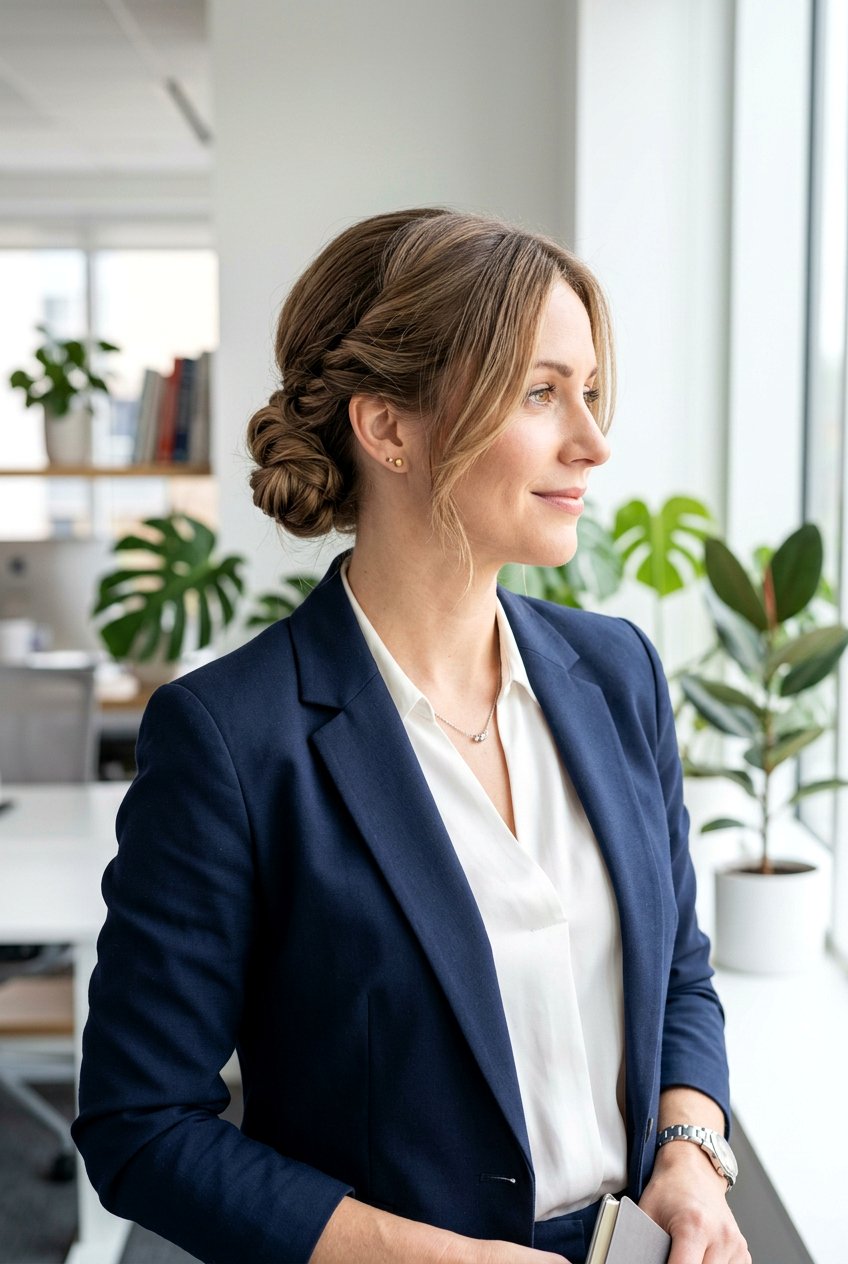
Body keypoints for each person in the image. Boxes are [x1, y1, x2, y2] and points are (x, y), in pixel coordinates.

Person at [73, 208, 750, 1264]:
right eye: (539, 391)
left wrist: (689, 1152)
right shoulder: (231, 741)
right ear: (387, 427)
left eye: (589, 390)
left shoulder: (615, 673)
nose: (592, 439)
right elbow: (140, 1124)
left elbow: (678, 979)